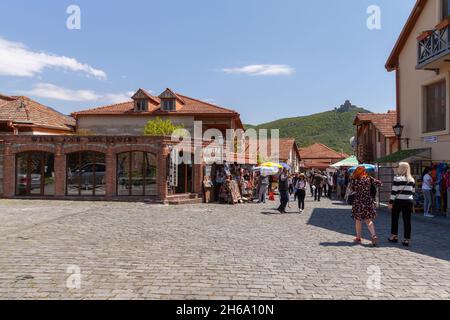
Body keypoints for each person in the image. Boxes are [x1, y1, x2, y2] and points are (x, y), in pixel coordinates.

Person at [350, 166, 382, 246]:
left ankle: (358, 237)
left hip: (358, 201)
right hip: (368, 201)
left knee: (358, 220)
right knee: (368, 220)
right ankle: (373, 235)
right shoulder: (369, 178)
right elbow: (379, 183)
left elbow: (352, 189)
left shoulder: (354, 180)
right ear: (364, 171)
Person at [389, 162, 416, 247]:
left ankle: (394, 236)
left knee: (395, 218)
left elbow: (394, 192)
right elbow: (413, 192)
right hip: (408, 201)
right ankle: (406, 240)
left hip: (398, 201)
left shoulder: (397, 178)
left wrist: (390, 202)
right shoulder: (412, 179)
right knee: (407, 221)